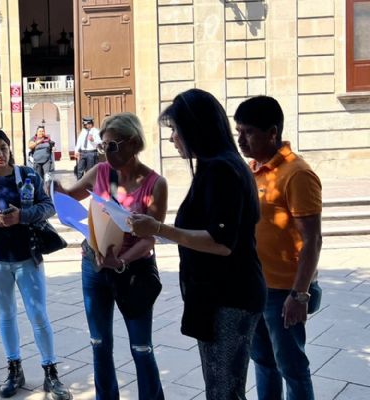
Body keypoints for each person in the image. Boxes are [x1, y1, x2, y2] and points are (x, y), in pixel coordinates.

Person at [129, 89, 267, 399]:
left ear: (194, 129)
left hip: (229, 297)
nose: (172, 138)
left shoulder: (221, 169)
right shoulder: (215, 166)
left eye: (175, 130)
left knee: (224, 390)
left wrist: (158, 228)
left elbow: (221, 243)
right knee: (221, 387)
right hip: (219, 295)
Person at [55, 112, 167, 400]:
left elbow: (149, 238)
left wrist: (123, 260)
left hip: (134, 272)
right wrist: (53, 189)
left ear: (133, 143)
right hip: (94, 267)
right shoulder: (101, 172)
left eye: (112, 146)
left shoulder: (155, 184)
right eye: (103, 146)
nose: (106, 152)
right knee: (99, 342)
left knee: (141, 347)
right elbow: (70, 196)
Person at [0, 129, 72, 400]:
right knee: (6, 314)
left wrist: (22, 216)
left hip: (27, 257)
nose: (0, 153)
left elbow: (48, 207)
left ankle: (50, 372)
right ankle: (14, 369)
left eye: (4, 147)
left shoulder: (28, 175)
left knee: (38, 314)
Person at [235, 96, 322, 400]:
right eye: (238, 131)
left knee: (292, 368)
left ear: (273, 132)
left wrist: (299, 295)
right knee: (263, 363)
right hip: (255, 287)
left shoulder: (297, 174)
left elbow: (313, 239)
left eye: (247, 132)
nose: (240, 139)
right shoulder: (253, 169)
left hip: (284, 293)